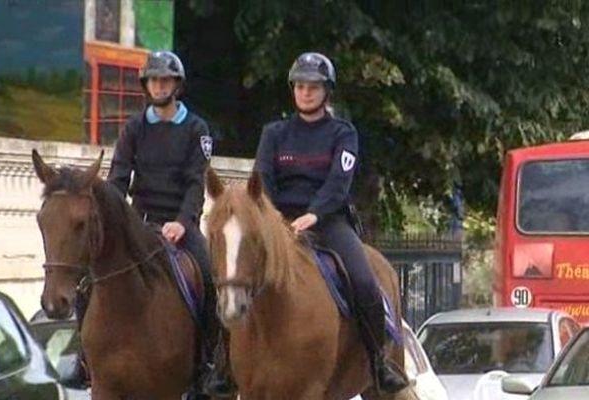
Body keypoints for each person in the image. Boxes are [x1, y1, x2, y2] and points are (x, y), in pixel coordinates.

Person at [252, 52, 408, 393]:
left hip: (328, 221)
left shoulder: (343, 132)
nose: (306, 93)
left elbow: (339, 181)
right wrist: (277, 219)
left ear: (327, 91)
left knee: (365, 282)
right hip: (280, 224)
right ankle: (223, 364)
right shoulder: (274, 133)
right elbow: (263, 178)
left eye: (314, 87)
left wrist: (314, 214)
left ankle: (378, 361)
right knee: (236, 278)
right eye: (301, 86)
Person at [98, 50, 230, 395]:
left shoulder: (196, 128)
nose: (159, 85)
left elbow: (195, 181)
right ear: (147, 85)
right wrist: (115, 219)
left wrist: (183, 222)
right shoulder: (134, 127)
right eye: (154, 79)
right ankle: (84, 355)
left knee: (211, 277)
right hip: (139, 224)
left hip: (180, 225)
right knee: (90, 276)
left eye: (165, 80)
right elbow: (117, 179)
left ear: (177, 85)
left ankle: (210, 362)